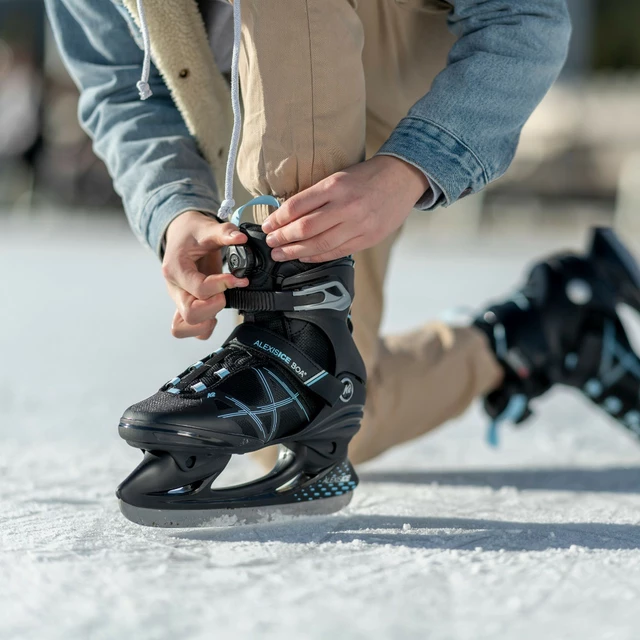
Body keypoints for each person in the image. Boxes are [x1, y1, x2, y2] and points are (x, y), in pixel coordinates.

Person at [45, 0, 640, 526]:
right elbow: (122, 87)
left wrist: (412, 166)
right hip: (261, 124)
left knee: (304, 377)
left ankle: (293, 341)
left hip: (410, 75)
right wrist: (176, 212)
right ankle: (543, 330)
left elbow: (524, 16)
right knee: (340, 408)